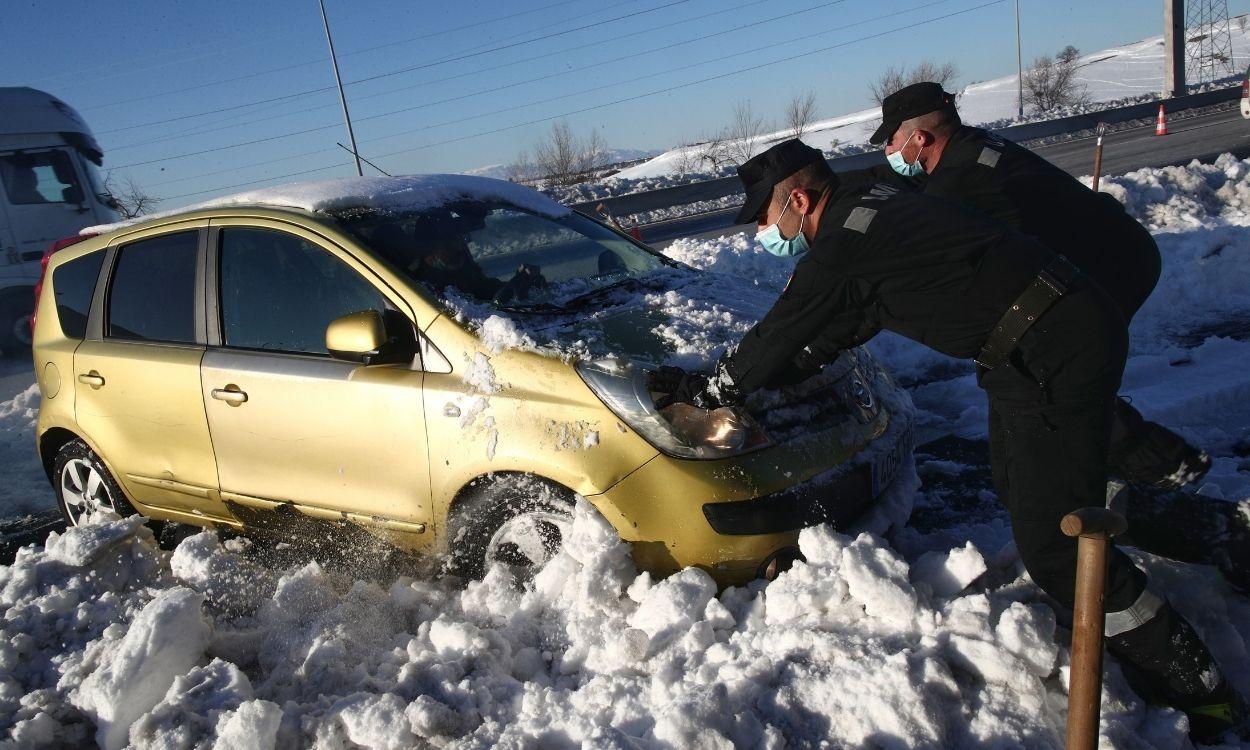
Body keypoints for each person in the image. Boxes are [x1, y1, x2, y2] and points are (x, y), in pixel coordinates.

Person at [647, 139, 1239, 741]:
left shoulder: (845, 245)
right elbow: (834, 329)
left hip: (1052, 346)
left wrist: (713, 386)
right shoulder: (872, 206)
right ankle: (1220, 535)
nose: (763, 234)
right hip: (1033, 344)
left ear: (797, 199)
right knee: (1023, 487)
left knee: (1054, 548)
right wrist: (777, 377)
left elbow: (782, 330)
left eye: (765, 218)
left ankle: (1201, 687)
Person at [863, 82, 1210, 491]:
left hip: (1111, 267)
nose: (887, 152)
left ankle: (1158, 465)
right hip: (1116, 253)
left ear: (919, 139)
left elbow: (919, 242)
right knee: (1059, 376)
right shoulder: (971, 146)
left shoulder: (961, 177)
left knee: (1052, 376)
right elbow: (916, 190)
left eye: (890, 141)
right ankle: (1124, 462)